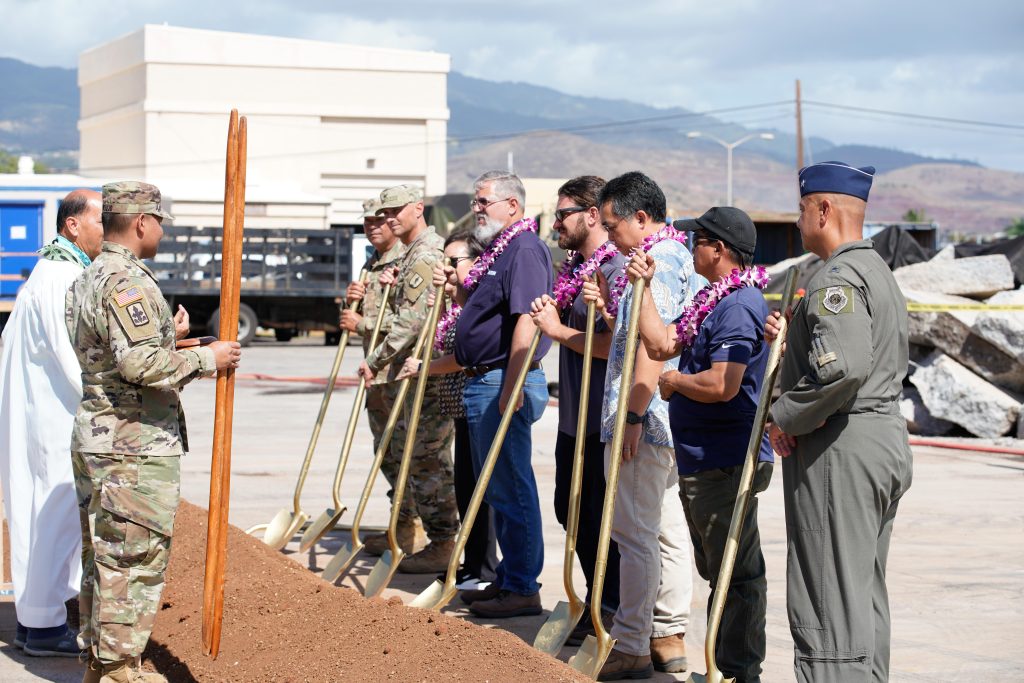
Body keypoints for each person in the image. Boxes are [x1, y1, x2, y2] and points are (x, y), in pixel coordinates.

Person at [66, 181, 241, 683]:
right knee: (133, 558)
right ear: (142, 222)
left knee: (103, 558)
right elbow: (140, 363)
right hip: (132, 444)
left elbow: (107, 353)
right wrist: (208, 358)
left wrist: (173, 336)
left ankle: (102, 664)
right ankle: (123, 669)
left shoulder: (90, 274)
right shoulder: (128, 281)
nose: (162, 231)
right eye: (160, 221)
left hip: (100, 437)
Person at [766, 162, 913, 682]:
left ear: (823, 209)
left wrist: (784, 415)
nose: (799, 219)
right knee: (861, 596)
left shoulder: (838, 277)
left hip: (842, 448)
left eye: (802, 209)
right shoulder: (877, 272)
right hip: (878, 438)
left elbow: (844, 368)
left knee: (828, 602)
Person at [628, 207, 774, 682]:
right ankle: (728, 667)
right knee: (722, 569)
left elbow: (722, 385)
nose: (692, 247)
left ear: (721, 250)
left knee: (736, 574)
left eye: (700, 241)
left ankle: (736, 671)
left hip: (725, 459)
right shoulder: (713, 298)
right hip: (703, 458)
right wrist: (644, 288)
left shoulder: (736, 305)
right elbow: (659, 342)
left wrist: (672, 382)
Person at [581, 171, 702, 680]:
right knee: (666, 530)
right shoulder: (663, 259)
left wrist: (632, 414)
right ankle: (667, 635)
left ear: (642, 218)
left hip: (643, 417)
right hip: (657, 418)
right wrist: (611, 307)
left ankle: (631, 640)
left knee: (634, 533)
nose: (608, 237)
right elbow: (634, 333)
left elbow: (658, 344)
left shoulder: (660, 262)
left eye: (612, 226)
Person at [0, 190, 103, 657]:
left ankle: (33, 622)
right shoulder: (64, 277)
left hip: (37, 413)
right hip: (56, 415)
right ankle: (43, 629)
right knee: (56, 514)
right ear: (73, 226)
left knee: (37, 513)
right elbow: (74, 355)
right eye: (102, 219)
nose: (109, 228)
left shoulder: (49, 271)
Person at [447, 171, 553, 618]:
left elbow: (527, 320)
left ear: (513, 206)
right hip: (484, 381)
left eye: (484, 201)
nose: (476, 208)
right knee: (497, 487)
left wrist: (509, 390)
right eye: (475, 201)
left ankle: (523, 587)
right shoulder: (501, 249)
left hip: (501, 383)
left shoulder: (525, 249)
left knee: (511, 484)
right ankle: (510, 578)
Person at [527, 176, 624, 644]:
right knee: (571, 510)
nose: (556, 223)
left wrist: (559, 331)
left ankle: (611, 609)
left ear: (591, 214)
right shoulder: (574, 271)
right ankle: (597, 598)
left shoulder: (616, 269)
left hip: (602, 419)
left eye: (563, 213)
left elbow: (619, 345)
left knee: (600, 518)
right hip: (572, 418)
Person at [356, 184, 458, 574]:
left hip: (424, 374)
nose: (390, 218)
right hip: (409, 373)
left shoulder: (424, 255)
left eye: (397, 210)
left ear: (418, 209)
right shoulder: (412, 253)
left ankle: (444, 541)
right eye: (386, 212)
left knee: (427, 458)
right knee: (406, 454)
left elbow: (412, 322)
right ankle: (418, 530)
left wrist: (376, 358)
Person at [396, 228, 499, 589]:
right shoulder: (457, 301)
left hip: (476, 400)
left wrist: (425, 368)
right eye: (445, 261)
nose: (448, 268)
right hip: (459, 405)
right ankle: (471, 563)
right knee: (466, 486)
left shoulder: (479, 303)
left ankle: (485, 567)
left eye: (455, 261)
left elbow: (463, 357)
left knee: (482, 492)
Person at [340, 198, 425, 556]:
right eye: (369, 221)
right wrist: (351, 302)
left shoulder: (406, 261)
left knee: (406, 450)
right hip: (377, 373)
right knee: (385, 451)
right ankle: (400, 524)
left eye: (382, 219)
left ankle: (414, 526)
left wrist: (362, 323)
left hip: (396, 370)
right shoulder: (371, 264)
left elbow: (410, 321)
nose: (375, 226)